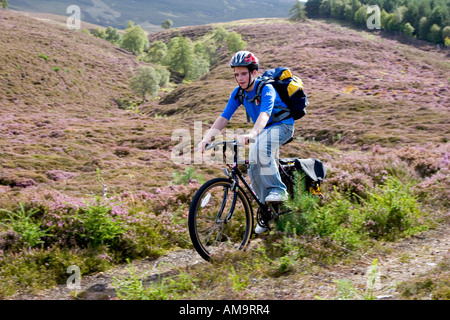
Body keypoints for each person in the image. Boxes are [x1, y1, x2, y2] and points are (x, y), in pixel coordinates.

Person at [197, 51, 294, 233]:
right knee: (252, 168)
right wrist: (205, 139)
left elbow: (265, 114)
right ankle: (268, 212)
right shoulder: (238, 93)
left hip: (283, 126)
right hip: (265, 130)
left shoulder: (266, 89)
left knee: (258, 148)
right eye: (236, 74)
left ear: (254, 73)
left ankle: (278, 190)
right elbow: (224, 117)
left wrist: (252, 134)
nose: (240, 78)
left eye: (243, 73)